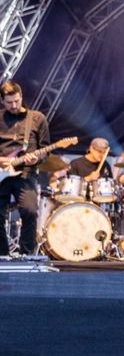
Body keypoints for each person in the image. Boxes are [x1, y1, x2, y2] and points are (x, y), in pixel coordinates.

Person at [0, 81, 49, 255]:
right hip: (1, 173)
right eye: (9, 102)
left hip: (26, 174)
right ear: (2, 101)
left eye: (16, 101)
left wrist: (37, 156)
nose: (13, 105)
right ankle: (2, 257)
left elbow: (46, 149)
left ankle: (26, 255)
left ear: (21, 97)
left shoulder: (37, 118)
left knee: (30, 211)